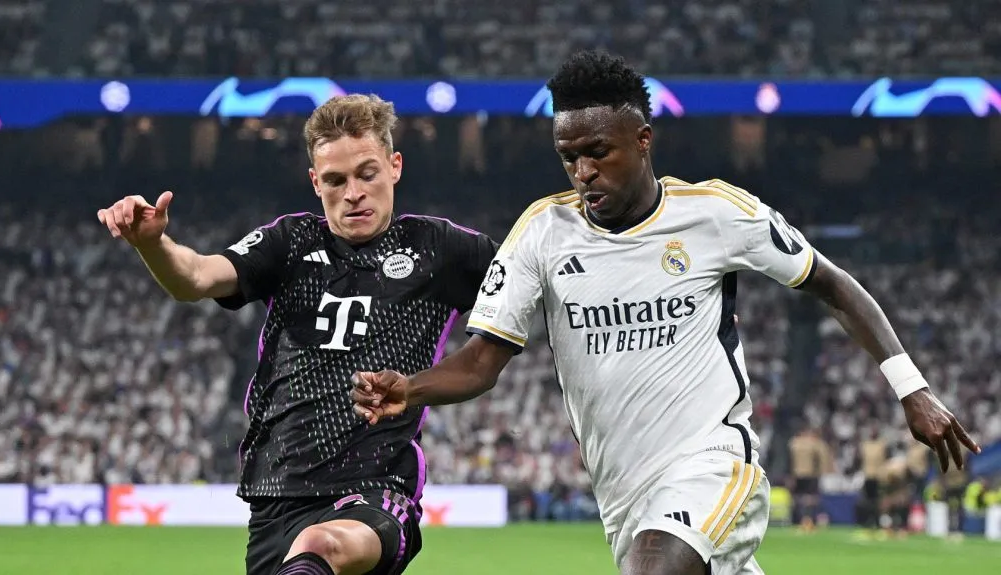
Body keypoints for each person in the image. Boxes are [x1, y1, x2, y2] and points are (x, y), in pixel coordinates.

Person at [351, 51, 981, 575]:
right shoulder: (542, 234)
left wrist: (911, 388)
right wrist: (411, 388)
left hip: (714, 463)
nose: (583, 172)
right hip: (623, 492)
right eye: (569, 157)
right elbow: (483, 361)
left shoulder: (716, 214)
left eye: (599, 151)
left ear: (643, 139)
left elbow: (835, 285)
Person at [96, 94, 497, 575]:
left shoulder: (440, 249)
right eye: (335, 180)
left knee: (321, 545)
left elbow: (530, 286)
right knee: (306, 550)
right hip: (277, 497)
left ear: (395, 166)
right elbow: (197, 277)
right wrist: (154, 244)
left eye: (366, 173)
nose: (353, 192)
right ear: (315, 183)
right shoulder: (290, 243)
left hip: (376, 489)